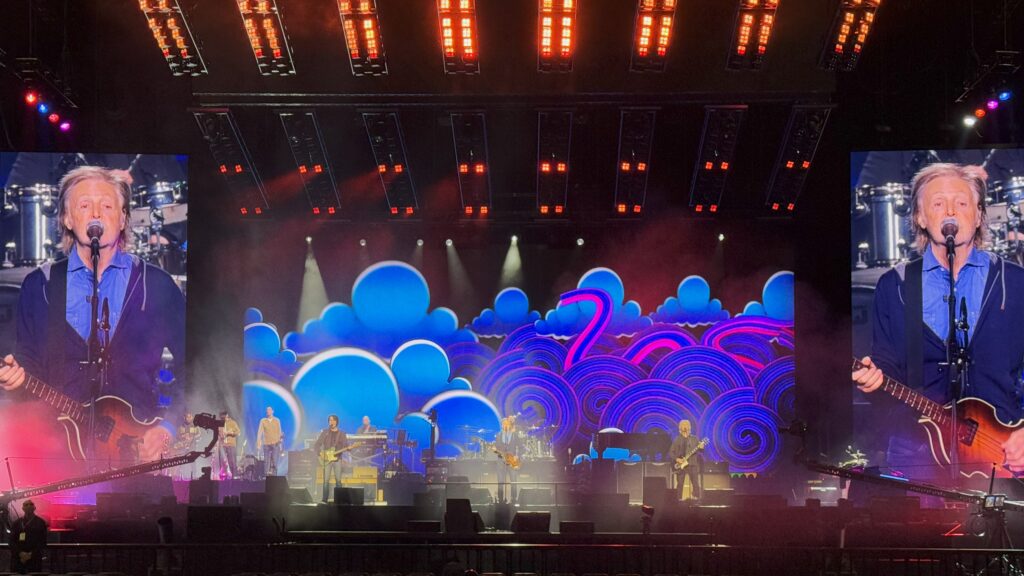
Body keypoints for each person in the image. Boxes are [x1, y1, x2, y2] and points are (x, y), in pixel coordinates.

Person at [0, 166, 185, 461]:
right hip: (58, 456)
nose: (96, 213)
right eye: (85, 205)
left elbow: (196, 364)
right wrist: (16, 381)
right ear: (67, 218)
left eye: (107, 206)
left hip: (137, 455)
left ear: (123, 218)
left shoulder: (154, 284)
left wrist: (168, 426)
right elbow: (30, 370)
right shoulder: (40, 286)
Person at [852, 163, 1024, 479]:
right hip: (917, 453)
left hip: (1004, 455)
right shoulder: (896, 285)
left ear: (979, 215)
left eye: (962, 203)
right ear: (920, 218)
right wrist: (872, 382)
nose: (950, 212)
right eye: (938, 203)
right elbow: (886, 366)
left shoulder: (1013, 282)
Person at [313, 414, 348, 502]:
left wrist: (349, 448)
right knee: (326, 481)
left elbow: (346, 445)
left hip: (337, 459)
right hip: (326, 460)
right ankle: (324, 500)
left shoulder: (342, 434)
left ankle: (340, 500)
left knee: (338, 480)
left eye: (333, 420)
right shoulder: (325, 432)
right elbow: (316, 445)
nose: (331, 422)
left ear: (336, 422)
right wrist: (320, 453)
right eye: (330, 420)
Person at [9, 499, 47, 574]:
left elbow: (42, 541)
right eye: (26, 505)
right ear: (23, 508)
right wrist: (20, 553)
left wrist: (30, 555)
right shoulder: (16, 523)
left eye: (31, 504)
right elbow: (11, 541)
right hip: (18, 560)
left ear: (34, 508)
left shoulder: (41, 523)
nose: (29, 506)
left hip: (34, 560)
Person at [669, 419, 703, 500]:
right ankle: (679, 500)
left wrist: (702, 447)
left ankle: (696, 499)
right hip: (681, 465)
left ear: (689, 427)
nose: (685, 427)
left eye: (686, 425)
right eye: (683, 425)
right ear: (680, 428)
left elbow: (701, 451)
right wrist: (677, 459)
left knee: (695, 483)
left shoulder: (694, 439)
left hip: (692, 464)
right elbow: (671, 452)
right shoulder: (677, 439)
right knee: (680, 484)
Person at [494, 416, 521, 504]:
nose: (505, 425)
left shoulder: (514, 435)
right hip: (501, 461)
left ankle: (514, 499)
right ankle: (500, 500)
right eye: (503, 424)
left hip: (512, 460)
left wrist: (517, 456)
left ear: (509, 425)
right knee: (500, 481)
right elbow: (496, 449)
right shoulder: (498, 435)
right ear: (502, 425)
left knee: (514, 481)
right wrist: (498, 452)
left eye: (507, 424)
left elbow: (520, 447)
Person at [257, 406, 283, 476]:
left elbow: (279, 432)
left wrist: (281, 445)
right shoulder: (263, 421)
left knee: (275, 462)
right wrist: (258, 443)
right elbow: (259, 432)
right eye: (267, 410)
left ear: (272, 411)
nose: (268, 411)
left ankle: (274, 477)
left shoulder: (277, 420)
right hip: (266, 444)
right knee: (266, 462)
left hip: (275, 444)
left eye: (269, 410)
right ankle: (266, 477)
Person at [219, 410, 241, 479]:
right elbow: (218, 433)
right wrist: (221, 435)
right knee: (223, 461)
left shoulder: (232, 422)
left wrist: (230, 433)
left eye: (223, 416)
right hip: (223, 445)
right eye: (221, 416)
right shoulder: (220, 423)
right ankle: (224, 476)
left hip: (231, 445)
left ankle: (234, 476)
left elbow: (238, 432)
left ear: (227, 415)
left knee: (232, 461)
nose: (222, 417)